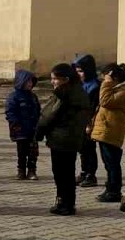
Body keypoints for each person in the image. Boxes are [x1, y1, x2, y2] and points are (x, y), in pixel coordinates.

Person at [36, 63, 91, 216]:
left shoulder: (63, 94)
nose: (52, 82)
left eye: (55, 79)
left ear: (65, 79)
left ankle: (64, 203)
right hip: (73, 138)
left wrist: (38, 132)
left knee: (61, 173)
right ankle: (68, 203)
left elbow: (49, 116)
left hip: (61, 138)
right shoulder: (78, 91)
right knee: (68, 172)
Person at [91, 63, 125, 203]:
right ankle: (110, 188)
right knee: (109, 163)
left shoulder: (123, 92)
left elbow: (105, 101)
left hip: (111, 131)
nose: (103, 80)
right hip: (107, 131)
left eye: (106, 77)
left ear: (113, 77)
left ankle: (114, 191)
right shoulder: (117, 90)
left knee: (112, 163)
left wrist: (106, 84)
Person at [5, 70, 41, 181]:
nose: (30, 84)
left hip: (33, 129)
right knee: (22, 152)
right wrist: (15, 123)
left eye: (31, 81)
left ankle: (31, 170)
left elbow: (38, 111)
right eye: (27, 81)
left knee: (33, 152)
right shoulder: (14, 97)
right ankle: (21, 171)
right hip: (20, 129)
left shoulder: (33, 97)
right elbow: (10, 111)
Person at [72, 54, 101, 188]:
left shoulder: (94, 86)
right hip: (78, 122)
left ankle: (91, 174)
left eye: (81, 71)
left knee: (89, 149)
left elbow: (94, 107)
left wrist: (89, 123)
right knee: (82, 149)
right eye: (77, 71)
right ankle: (84, 172)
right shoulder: (80, 85)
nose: (79, 74)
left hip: (88, 123)